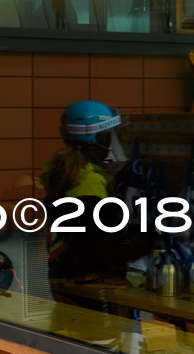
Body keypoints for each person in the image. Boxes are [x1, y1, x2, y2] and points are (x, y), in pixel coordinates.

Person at [41, 100, 152, 313]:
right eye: (110, 134)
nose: (114, 141)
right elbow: (102, 250)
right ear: (97, 137)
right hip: (87, 289)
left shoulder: (65, 173)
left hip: (64, 280)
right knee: (100, 344)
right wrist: (149, 238)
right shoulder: (88, 183)